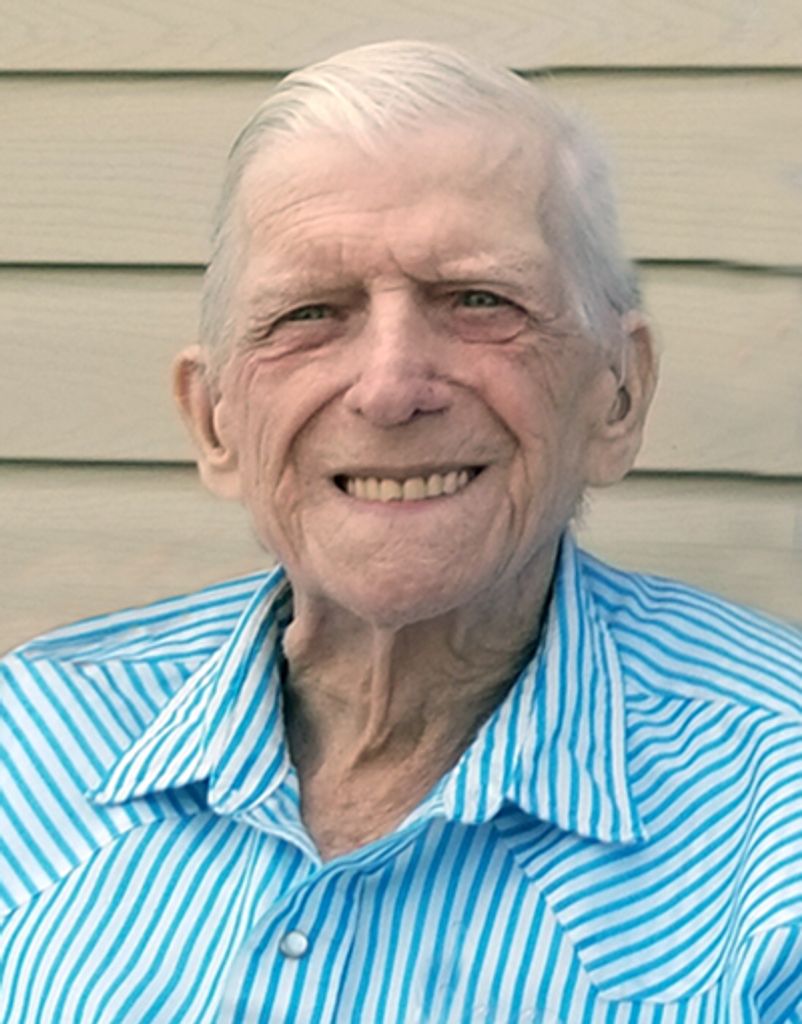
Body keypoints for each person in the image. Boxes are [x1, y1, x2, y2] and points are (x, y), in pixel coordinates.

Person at [2, 40, 801, 1024]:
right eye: (309, 313)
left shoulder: (778, 815)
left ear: (617, 395)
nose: (389, 388)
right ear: (214, 422)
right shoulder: (29, 740)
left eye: (479, 300)